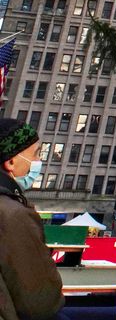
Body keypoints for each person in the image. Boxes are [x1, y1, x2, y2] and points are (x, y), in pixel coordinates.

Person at [0, 118, 63, 320]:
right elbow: (40, 302)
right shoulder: (12, 214)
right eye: (36, 154)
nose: (38, 162)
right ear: (10, 162)